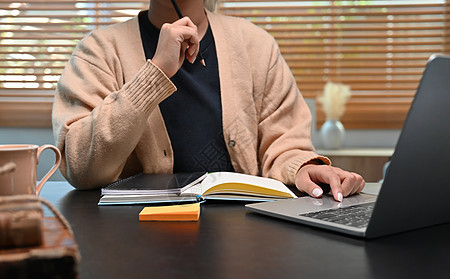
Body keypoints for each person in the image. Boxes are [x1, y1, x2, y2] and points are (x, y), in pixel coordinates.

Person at [52, 0, 365, 202]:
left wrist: (301, 168)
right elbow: (80, 167)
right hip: (133, 237)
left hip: (245, 237)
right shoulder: (97, 52)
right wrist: (155, 72)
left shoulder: (257, 46)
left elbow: (284, 142)